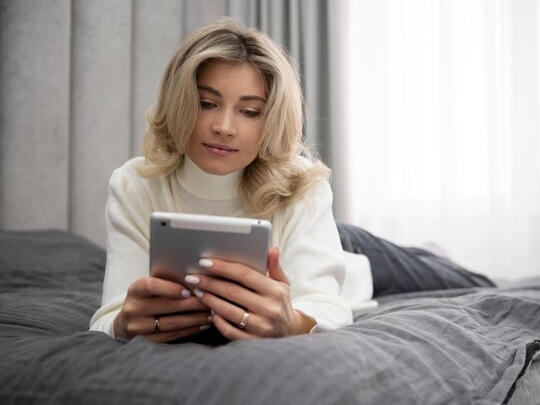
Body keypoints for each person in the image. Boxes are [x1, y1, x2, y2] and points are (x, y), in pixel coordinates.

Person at [89, 18, 364, 343]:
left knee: (403, 262)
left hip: (352, 262)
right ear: (179, 102)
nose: (224, 127)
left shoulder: (304, 187)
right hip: (310, 239)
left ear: (271, 119)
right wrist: (124, 323)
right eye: (207, 104)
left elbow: (329, 307)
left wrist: (292, 322)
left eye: (249, 111)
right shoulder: (133, 185)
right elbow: (110, 316)